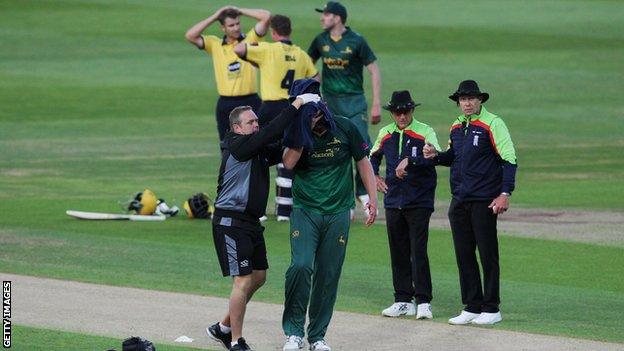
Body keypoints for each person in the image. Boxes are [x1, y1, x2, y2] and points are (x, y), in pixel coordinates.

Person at [207, 93, 321, 351]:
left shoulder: (256, 147)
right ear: (237, 127)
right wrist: (297, 104)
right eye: (251, 123)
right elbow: (271, 132)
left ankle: (222, 327)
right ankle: (235, 340)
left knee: (258, 277)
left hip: (250, 223)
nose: (256, 125)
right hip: (230, 221)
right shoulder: (236, 144)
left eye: (257, 122)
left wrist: (304, 127)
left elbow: (286, 154)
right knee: (243, 280)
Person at [280, 81, 378, 351]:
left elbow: (363, 162)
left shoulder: (346, 126)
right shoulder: (295, 128)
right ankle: (293, 332)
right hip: (305, 210)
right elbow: (288, 163)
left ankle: (317, 336)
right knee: (300, 266)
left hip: (338, 212)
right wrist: (303, 132)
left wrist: (371, 200)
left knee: (328, 273)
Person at [423, 80, 518, 326]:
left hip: (485, 199)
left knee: (487, 254)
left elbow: (509, 160)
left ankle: (492, 307)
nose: (466, 103)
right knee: (464, 254)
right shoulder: (457, 126)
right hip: (460, 200)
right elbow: (452, 157)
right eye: (462, 99)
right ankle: (472, 306)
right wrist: (435, 156)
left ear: (480, 101)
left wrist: (504, 193)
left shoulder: (493, 124)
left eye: (471, 99)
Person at [234, 14, 319, 221]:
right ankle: (284, 211)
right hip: (294, 108)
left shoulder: (268, 49)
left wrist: (253, 43)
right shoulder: (300, 54)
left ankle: (256, 209)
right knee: (289, 153)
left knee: (259, 154)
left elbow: (238, 50)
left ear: (273, 32)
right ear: (289, 31)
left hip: (270, 109)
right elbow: (316, 77)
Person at [370, 90, 440, 320]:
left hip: (419, 200)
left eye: (406, 111)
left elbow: (434, 157)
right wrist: (375, 177)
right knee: (398, 250)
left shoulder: (425, 131)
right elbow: (371, 157)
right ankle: (402, 299)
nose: (402, 116)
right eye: (398, 112)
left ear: (412, 110)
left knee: (418, 251)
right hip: (393, 200)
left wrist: (411, 160)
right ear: (392, 112)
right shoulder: (386, 133)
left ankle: (423, 301)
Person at [308, 1, 382, 215]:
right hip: (330, 103)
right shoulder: (320, 40)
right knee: (335, 147)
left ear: (338, 18)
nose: (322, 18)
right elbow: (306, 63)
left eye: (326, 15)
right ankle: (343, 199)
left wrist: (376, 103)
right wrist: (315, 85)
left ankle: (363, 193)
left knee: (362, 145)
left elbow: (374, 70)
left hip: (355, 102)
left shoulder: (356, 41)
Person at [185, 6, 271, 141]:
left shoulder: (250, 39)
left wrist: (239, 10)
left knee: (257, 142)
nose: (236, 28)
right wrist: (215, 16)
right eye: (231, 25)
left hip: (250, 101)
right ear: (223, 28)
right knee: (226, 143)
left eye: (237, 23)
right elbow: (190, 35)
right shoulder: (215, 44)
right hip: (226, 103)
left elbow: (266, 16)